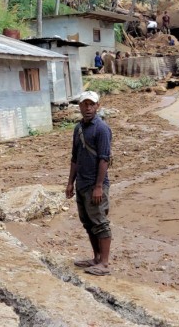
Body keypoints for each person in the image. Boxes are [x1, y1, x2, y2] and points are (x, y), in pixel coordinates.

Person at [66, 91, 113, 276]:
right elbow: (74, 158)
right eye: (84, 104)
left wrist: (99, 186)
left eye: (91, 104)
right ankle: (96, 258)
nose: (87, 108)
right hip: (82, 184)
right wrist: (70, 183)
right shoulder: (78, 129)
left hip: (96, 185)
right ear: (79, 106)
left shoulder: (101, 129)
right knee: (88, 222)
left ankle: (105, 263)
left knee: (100, 222)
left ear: (97, 106)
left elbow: (104, 159)